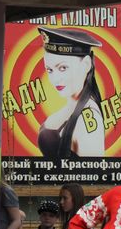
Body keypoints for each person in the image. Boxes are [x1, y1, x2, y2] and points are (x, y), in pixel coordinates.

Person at [37, 27, 104, 159]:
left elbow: (92, 174)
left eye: (63, 68)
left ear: (86, 65)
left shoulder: (88, 117)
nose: (55, 79)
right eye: (49, 70)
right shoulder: (71, 106)